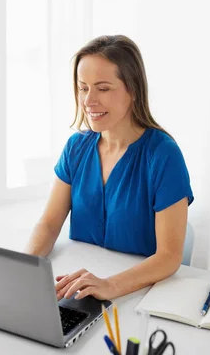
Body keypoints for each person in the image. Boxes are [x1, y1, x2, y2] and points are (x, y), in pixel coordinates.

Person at [24, 35, 194, 301]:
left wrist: (111, 286)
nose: (89, 101)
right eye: (83, 88)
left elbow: (170, 257)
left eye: (103, 89)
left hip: (137, 292)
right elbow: (48, 224)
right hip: (80, 289)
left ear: (133, 90)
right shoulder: (76, 147)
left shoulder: (163, 155)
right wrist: (23, 267)